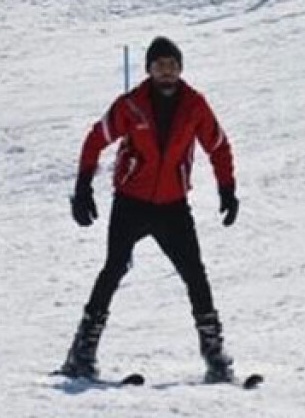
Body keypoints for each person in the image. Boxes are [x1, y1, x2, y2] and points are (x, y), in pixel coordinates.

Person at [60, 37, 239, 383]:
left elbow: (217, 145)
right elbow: (97, 138)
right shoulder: (133, 105)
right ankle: (81, 353)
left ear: (180, 68)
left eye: (172, 64)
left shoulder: (194, 105)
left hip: (173, 205)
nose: (166, 71)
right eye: (159, 65)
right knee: (113, 269)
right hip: (131, 202)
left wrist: (227, 188)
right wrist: (83, 187)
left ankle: (215, 357)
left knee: (195, 274)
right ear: (149, 70)